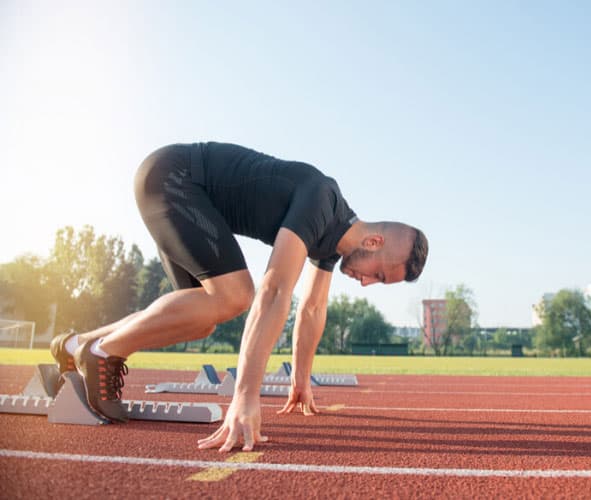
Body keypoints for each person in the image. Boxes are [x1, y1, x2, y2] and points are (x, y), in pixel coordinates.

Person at [49, 142, 428, 452]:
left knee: (201, 316)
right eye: (378, 274)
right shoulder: (322, 200)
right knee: (236, 295)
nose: (366, 284)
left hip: (178, 189)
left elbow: (312, 308)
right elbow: (275, 290)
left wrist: (301, 380)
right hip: (174, 177)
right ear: (374, 242)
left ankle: (78, 344)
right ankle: (104, 353)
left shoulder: (330, 242)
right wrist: (246, 397)